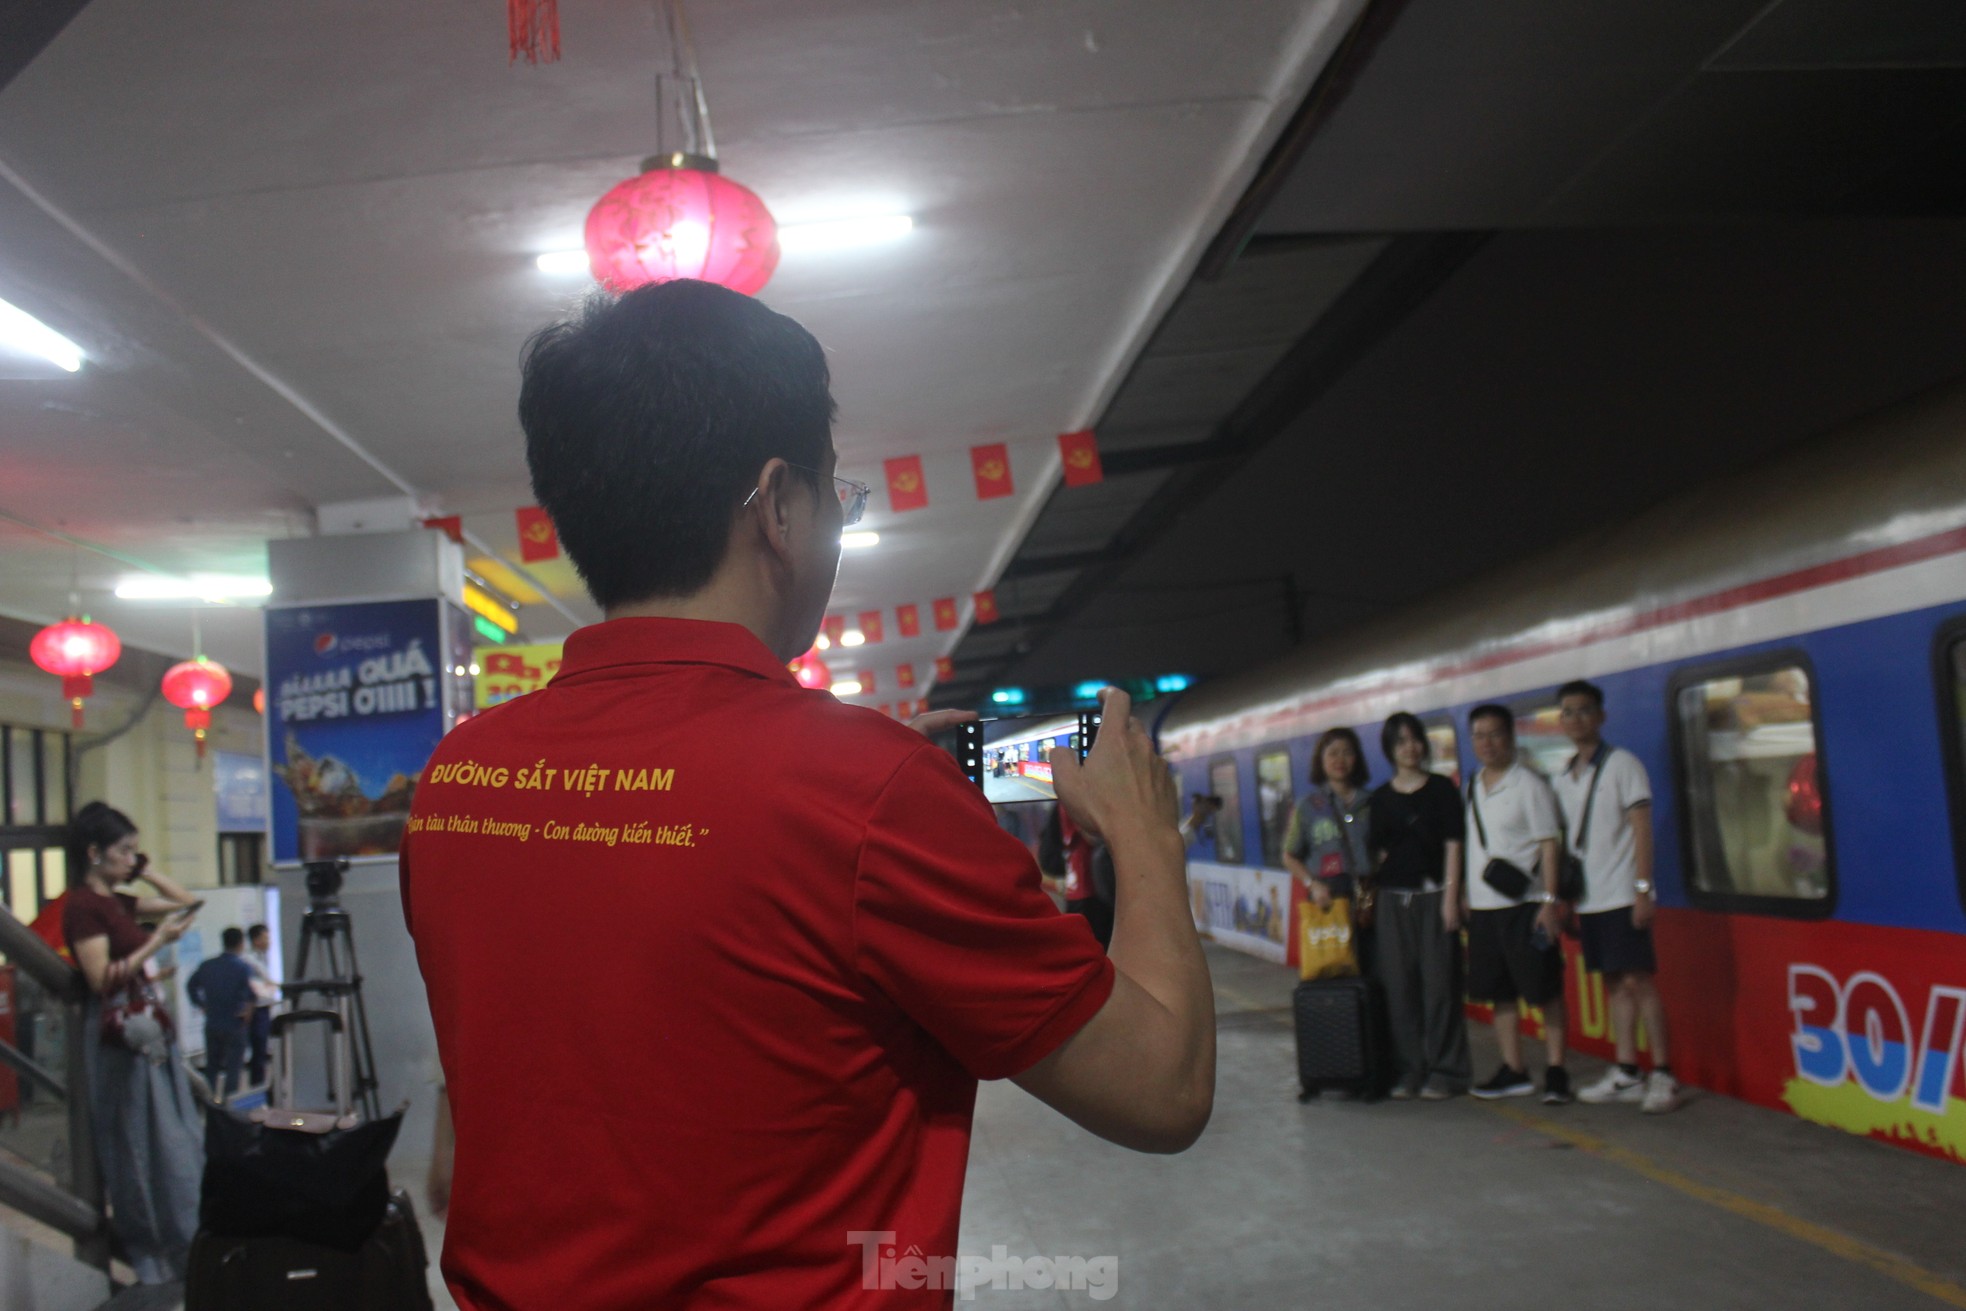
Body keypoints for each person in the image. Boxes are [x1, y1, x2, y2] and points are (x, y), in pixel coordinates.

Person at [401, 279, 1214, 1310]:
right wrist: (1144, 835)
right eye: (839, 495)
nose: (836, 519)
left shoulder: (456, 778)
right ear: (780, 505)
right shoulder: (866, 790)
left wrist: (853, 794)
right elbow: (1161, 1089)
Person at [61, 801, 204, 1286]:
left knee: (172, 1141)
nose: (130, 860)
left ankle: (183, 1249)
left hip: (147, 1031)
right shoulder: (83, 906)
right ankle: (156, 1258)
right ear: (94, 852)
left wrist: (144, 869)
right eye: (123, 851)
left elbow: (185, 901)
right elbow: (100, 977)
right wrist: (154, 943)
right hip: (119, 1038)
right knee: (139, 1147)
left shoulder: (116, 901)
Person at [1553, 680, 1680, 1114]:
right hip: (1590, 899)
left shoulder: (1623, 764)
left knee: (1638, 981)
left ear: (1601, 716)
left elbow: (1642, 829)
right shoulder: (1565, 776)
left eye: (1584, 710)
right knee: (1612, 984)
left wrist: (1643, 889)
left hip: (1624, 893)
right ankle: (1627, 1070)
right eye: (1568, 712)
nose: (1576, 719)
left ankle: (1663, 1073)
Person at [1462, 705, 1572, 1105]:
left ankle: (1557, 1071)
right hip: (1484, 909)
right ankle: (1515, 1069)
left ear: (1510, 738)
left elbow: (1549, 845)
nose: (1487, 743)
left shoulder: (1529, 785)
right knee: (1500, 993)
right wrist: (1464, 895)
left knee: (1545, 990)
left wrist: (1549, 901)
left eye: (1494, 734)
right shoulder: (1471, 786)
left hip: (1526, 905)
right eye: (1479, 735)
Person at [1367, 713, 1472, 1100]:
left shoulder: (1442, 789)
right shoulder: (1380, 798)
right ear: (1389, 750)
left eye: (1414, 740)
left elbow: (1454, 844)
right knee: (1399, 990)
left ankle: (1447, 1072)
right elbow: (1377, 852)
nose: (1409, 748)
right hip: (1392, 901)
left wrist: (1451, 897)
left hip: (1433, 898)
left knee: (1441, 987)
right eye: (1400, 742)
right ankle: (1409, 1070)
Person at [1281, 728, 1374, 969]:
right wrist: (1312, 884)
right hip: (1329, 895)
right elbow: (1289, 856)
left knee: (1374, 966)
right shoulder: (1308, 808)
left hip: (1370, 898)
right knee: (1336, 968)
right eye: (1333, 753)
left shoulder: (1371, 803)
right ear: (1320, 761)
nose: (1340, 760)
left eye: (1347, 752)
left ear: (1357, 758)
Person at [187, 926, 257, 1101]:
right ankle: (228, 1104)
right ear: (241, 943)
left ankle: (208, 1102)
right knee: (234, 1068)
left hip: (212, 1022)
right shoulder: (243, 968)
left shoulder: (207, 965)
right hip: (235, 1023)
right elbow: (252, 994)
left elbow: (190, 986)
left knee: (212, 1066)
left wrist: (201, 1004)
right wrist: (248, 1013)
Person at [245, 922, 278, 1087]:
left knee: (261, 1051)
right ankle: (257, 1087)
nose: (268, 942)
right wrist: (270, 988)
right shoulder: (250, 961)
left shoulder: (260, 959)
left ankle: (259, 1084)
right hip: (256, 1010)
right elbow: (257, 987)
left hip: (263, 1009)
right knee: (258, 1051)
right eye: (265, 938)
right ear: (256, 940)